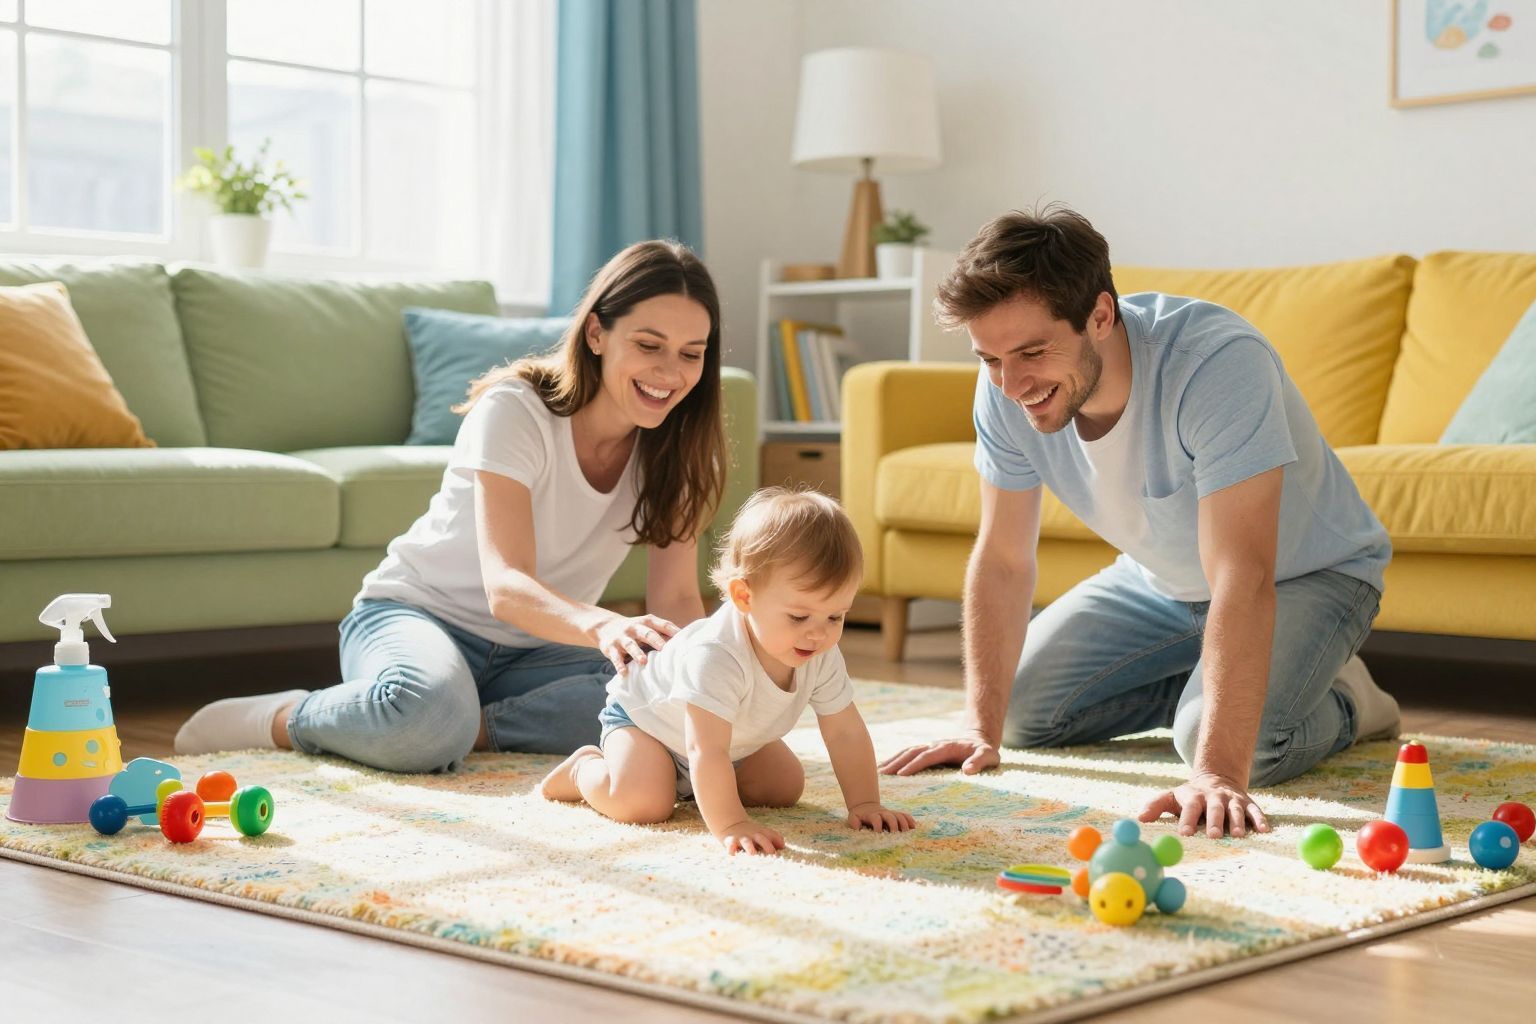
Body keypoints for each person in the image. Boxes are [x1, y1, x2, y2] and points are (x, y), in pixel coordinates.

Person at [879, 205, 1400, 839]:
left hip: (1307, 575)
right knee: (1018, 713)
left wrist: (1216, 771)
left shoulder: (1217, 364)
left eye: (1032, 352)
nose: (1011, 384)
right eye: (989, 358)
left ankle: (1350, 701)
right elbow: (1004, 557)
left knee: (1235, 748)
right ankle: (1217, 684)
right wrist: (977, 728)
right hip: (1161, 583)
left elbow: (1244, 571)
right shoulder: (1004, 388)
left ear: (1100, 315)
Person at [175, 240, 728, 772]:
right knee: (442, 714)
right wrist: (604, 626)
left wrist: (702, 679)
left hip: (540, 655)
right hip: (417, 617)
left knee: (665, 707)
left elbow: (677, 596)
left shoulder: (678, 450)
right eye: (649, 345)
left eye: (691, 354)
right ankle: (288, 716)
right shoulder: (518, 410)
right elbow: (507, 586)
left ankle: (454, 726)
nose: (670, 373)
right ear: (596, 333)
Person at [540, 487, 916, 855]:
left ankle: (689, 787)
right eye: (799, 616)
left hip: (730, 742)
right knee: (644, 804)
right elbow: (705, 748)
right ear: (744, 597)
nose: (818, 633)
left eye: (836, 616)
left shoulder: (819, 651)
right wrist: (731, 824)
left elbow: (845, 732)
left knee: (784, 786)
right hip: (648, 726)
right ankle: (584, 769)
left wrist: (865, 802)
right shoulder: (716, 655)